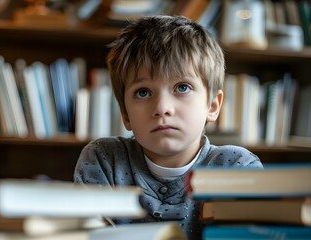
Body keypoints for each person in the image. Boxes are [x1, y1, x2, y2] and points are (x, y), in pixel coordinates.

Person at [73, 15, 263, 238]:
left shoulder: (237, 168)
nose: (162, 108)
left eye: (182, 87)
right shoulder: (104, 160)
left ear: (212, 106)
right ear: (125, 113)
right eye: (143, 92)